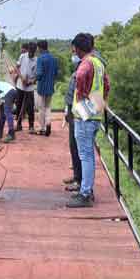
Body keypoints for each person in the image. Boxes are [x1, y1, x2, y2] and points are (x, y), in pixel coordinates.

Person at [66, 33, 105, 208]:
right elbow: (107, 84)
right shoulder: (98, 63)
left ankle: (85, 193)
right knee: (88, 153)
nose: (73, 51)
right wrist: (97, 101)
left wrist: (81, 96)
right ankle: (86, 188)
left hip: (84, 114)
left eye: (74, 48)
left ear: (79, 48)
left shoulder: (86, 63)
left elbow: (80, 76)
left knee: (86, 155)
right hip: (96, 110)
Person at [63, 52, 83, 192]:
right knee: (73, 146)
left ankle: (81, 182)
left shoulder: (88, 66)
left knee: (79, 148)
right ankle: (77, 176)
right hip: (73, 110)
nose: (73, 54)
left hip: (79, 113)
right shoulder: (79, 67)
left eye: (74, 51)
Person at [35, 40, 59, 136]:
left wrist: (34, 79)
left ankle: (42, 128)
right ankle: (48, 123)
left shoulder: (40, 58)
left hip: (42, 87)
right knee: (48, 107)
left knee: (41, 108)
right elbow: (56, 73)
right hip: (50, 87)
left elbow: (39, 74)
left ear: (40, 48)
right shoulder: (54, 59)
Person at [14, 42, 37, 133]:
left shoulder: (36, 60)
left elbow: (37, 76)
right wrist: (21, 77)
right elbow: (17, 68)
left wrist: (31, 81)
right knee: (18, 105)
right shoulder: (22, 56)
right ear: (28, 50)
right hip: (20, 85)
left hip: (30, 87)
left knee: (30, 107)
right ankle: (19, 124)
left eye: (33, 52)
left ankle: (31, 126)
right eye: (30, 51)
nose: (31, 53)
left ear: (35, 51)